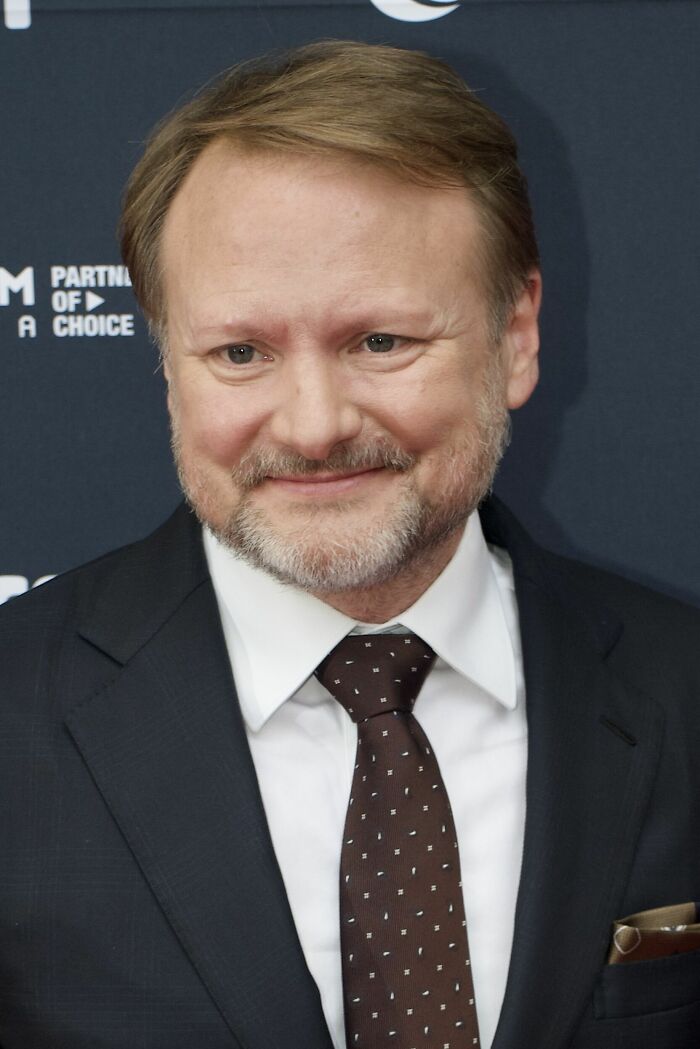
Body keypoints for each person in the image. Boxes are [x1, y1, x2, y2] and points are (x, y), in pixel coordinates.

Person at [1, 40, 699, 1049]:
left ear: (517, 336)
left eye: (380, 342)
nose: (315, 423)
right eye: (240, 353)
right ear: (167, 365)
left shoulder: (681, 687)